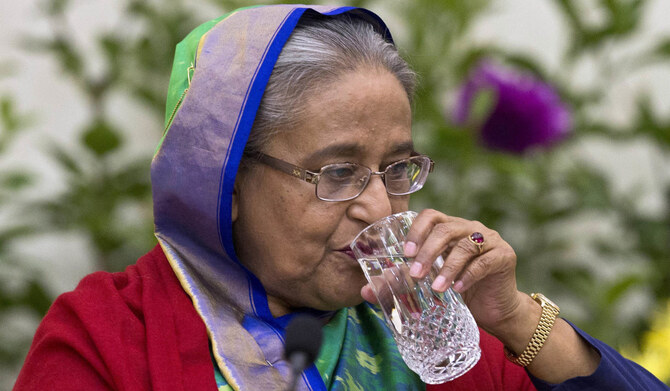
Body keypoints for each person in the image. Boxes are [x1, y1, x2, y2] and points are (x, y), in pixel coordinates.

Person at [13, 4, 669, 391]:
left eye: (396, 168)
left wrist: (514, 318)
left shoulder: (424, 334)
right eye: (337, 172)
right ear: (227, 178)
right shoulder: (107, 337)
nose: (382, 209)